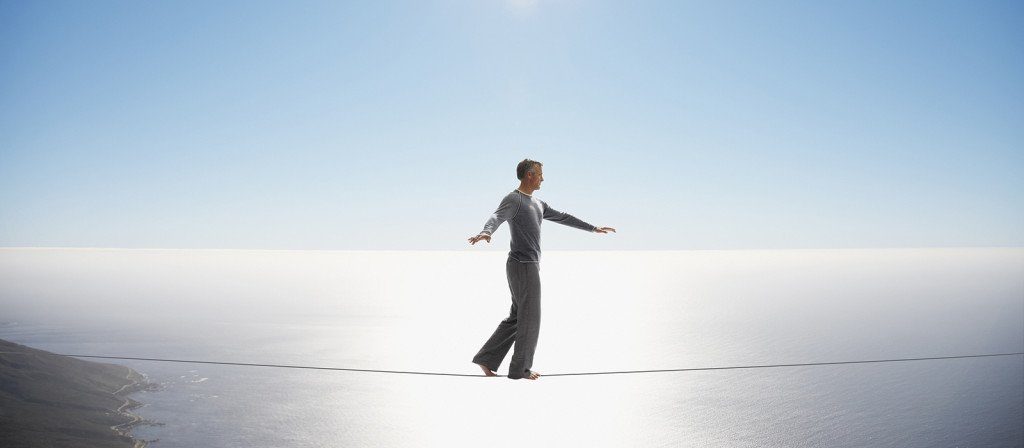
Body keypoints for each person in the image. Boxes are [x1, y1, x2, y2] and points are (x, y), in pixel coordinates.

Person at [468, 159, 615, 380]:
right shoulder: (514, 199)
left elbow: (564, 217)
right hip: (522, 265)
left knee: (518, 316)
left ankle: (486, 358)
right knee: (531, 317)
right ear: (529, 175)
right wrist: (487, 231)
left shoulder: (538, 203)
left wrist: (593, 228)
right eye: (540, 174)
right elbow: (497, 216)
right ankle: (520, 369)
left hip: (527, 265)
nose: (543, 178)